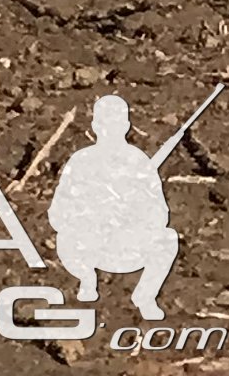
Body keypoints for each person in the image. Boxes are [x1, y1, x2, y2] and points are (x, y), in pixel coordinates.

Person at [48, 94, 182, 320]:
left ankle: (145, 296)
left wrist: (131, 214)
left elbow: (160, 214)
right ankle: (87, 279)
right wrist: (89, 216)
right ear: (95, 126)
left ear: (126, 126)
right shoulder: (81, 161)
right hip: (88, 245)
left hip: (126, 244)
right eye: (104, 124)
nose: (110, 129)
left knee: (167, 239)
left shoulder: (139, 162)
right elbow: (58, 212)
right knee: (66, 237)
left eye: (116, 124)